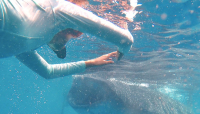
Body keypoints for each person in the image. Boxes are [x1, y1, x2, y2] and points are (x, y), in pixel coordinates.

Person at [0, 0, 133, 79]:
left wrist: (90, 63)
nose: (60, 49)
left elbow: (48, 72)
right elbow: (126, 39)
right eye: (61, 44)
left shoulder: (24, 48)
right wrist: (122, 50)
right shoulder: (58, 8)